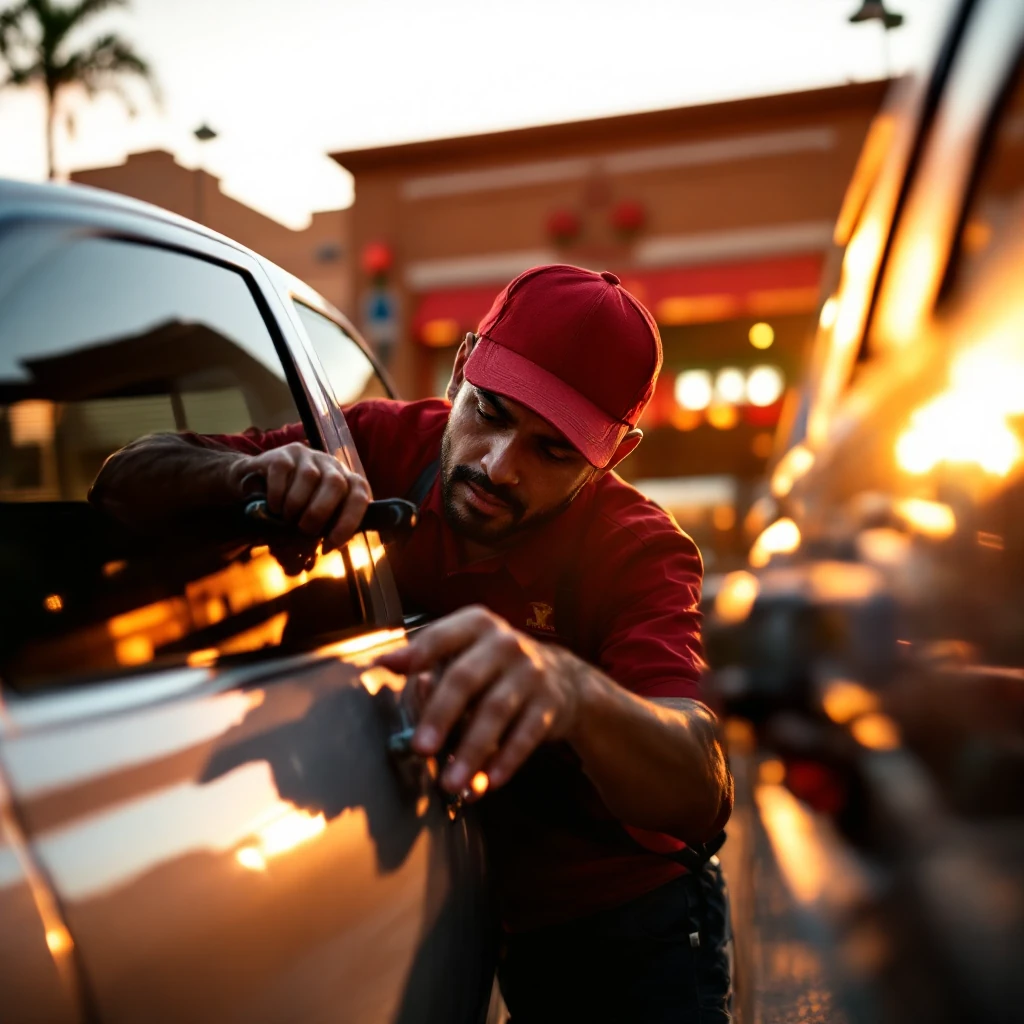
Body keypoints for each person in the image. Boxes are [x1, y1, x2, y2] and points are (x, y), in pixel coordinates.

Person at [92, 264, 734, 1023]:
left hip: (621, 922)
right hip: (449, 889)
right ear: (462, 365)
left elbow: (702, 786)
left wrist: (569, 690)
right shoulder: (375, 442)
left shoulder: (640, 550)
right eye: (490, 412)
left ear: (615, 455)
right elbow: (124, 481)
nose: (500, 465)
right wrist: (250, 475)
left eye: (553, 451)